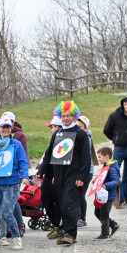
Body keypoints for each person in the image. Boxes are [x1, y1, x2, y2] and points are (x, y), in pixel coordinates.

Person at [37, 101, 91, 245]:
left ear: (74, 116)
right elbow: (49, 155)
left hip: (74, 175)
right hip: (59, 174)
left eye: (68, 116)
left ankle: (70, 234)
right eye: (63, 116)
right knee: (61, 205)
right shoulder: (58, 134)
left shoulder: (80, 134)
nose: (65, 118)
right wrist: (42, 171)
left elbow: (86, 158)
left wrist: (82, 177)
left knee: (69, 204)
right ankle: (66, 231)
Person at [0, 117, 29, 253]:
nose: (5, 129)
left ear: (11, 128)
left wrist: (25, 176)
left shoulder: (16, 145)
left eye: (8, 127)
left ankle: (16, 237)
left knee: (8, 214)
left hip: (11, 183)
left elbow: (23, 161)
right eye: (3, 127)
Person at [103, 96, 127, 206]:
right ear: (122, 105)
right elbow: (106, 130)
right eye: (125, 104)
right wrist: (115, 138)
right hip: (119, 149)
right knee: (114, 173)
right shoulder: (115, 116)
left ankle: (124, 198)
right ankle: (115, 199)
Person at [40, 116, 63, 239]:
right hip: (47, 176)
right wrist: (40, 171)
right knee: (45, 200)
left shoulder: (62, 140)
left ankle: (59, 226)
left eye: (52, 127)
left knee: (58, 202)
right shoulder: (52, 141)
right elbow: (46, 158)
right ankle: (55, 224)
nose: (51, 129)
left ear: (58, 128)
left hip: (57, 176)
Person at [92, 147, 121, 241]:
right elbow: (103, 177)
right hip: (101, 195)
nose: (98, 159)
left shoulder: (112, 167)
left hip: (107, 196)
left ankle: (105, 234)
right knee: (97, 213)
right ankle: (114, 225)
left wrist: (105, 185)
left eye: (100, 157)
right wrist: (96, 181)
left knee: (104, 214)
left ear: (107, 156)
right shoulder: (105, 165)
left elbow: (115, 181)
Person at [75, 115, 93, 227]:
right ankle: (77, 217)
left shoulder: (86, 138)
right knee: (77, 194)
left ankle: (82, 218)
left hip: (86, 171)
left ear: (85, 128)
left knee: (80, 195)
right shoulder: (78, 136)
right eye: (77, 126)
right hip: (79, 170)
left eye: (80, 127)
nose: (78, 129)